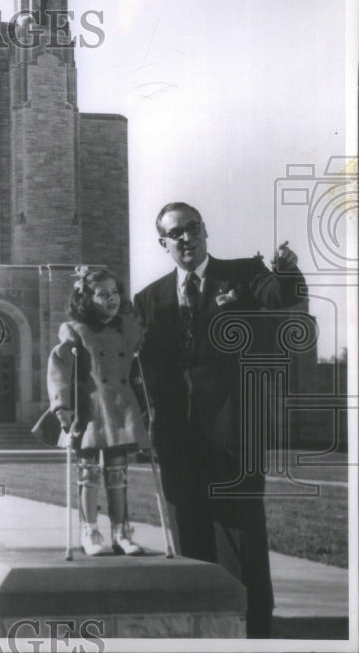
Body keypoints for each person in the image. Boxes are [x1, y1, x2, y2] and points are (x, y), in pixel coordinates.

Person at [133, 202, 306, 638]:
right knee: (191, 548)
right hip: (177, 443)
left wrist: (285, 271)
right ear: (164, 243)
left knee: (243, 545)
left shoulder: (244, 274)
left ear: (205, 231)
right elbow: (135, 367)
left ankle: (255, 639)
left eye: (192, 228)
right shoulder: (148, 299)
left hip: (235, 435)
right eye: (175, 233)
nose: (185, 238)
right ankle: (200, 639)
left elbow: (280, 296)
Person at [47, 266, 151, 556]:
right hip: (90, 409)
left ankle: (121, 532)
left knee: (118, 473)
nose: (111, 299)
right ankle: (89, 531)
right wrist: (61, 406)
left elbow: (138, 366)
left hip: (120, 409)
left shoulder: (128, 329)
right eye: (102, 294)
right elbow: (59, 367)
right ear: (86, 299)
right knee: (88, 471)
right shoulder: (76, 330)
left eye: (114, 293)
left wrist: (145, 402)